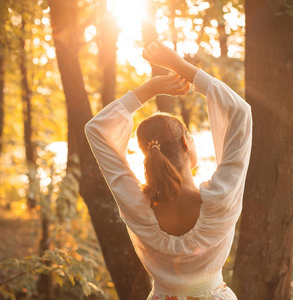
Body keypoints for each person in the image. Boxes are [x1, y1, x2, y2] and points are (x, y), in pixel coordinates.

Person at [85, 41, 252, 300]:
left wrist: (149, 89)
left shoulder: (137, 206)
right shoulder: (221, 199)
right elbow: (241, 112)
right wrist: (182, 67)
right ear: (186, 142)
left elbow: (96, 129)